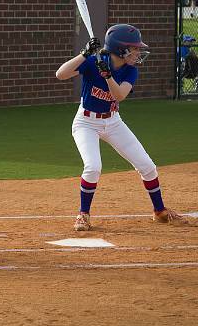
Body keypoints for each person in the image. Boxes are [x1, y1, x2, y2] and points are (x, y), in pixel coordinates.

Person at [55, 24, 186, 231]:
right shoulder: (92, 62)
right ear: (121, 50)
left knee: (147, 166)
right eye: (134, 48)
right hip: (86, 123)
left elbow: (119, 96)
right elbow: (60, 74)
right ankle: (83, 214)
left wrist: (108, 77)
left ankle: (159, 211)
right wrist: (84, 54)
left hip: (113, 122)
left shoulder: (130, 71)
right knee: (93, 167)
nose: (137, 52)